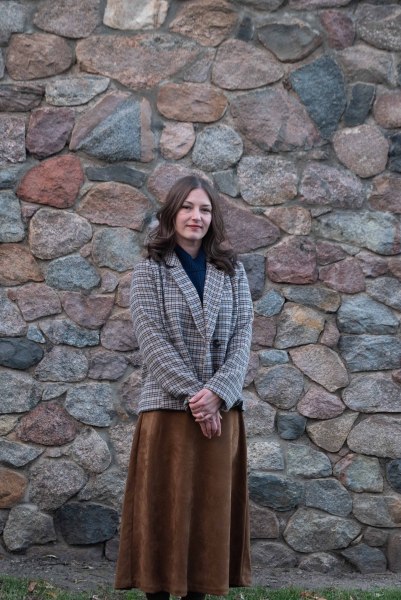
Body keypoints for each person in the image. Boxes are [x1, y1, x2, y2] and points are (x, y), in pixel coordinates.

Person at [115, 175, 254, 600]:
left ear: (213, 218)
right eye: (188, 207)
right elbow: (152, 340)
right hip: (168, 410)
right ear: (171, 213)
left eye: (205, 209)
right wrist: (197, 398)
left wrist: (218, 394)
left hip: (221, 413)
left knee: (209, 517)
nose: (197, 216)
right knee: (163, 512)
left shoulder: (231, 270)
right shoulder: (150, 269)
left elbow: (243, 336)